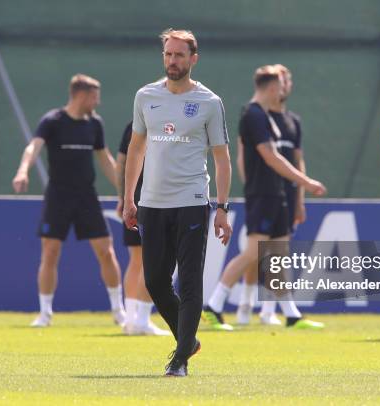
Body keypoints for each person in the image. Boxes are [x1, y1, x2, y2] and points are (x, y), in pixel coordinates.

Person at [123, 29, 232, 377]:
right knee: (154, 280)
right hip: (152, 204)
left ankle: (180, 357)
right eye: (168, 55)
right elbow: (136, 148)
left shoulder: (210, 103)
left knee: (188, 282)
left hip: (192, 202)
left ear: (193, 59)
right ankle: (189, 340)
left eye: (180, 55)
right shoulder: (145, 96)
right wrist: (129, 197)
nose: (173, 61)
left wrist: (222, 208)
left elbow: (222, 159)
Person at [202, 65, 326, 331]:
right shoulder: (253, 115)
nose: (283, 91)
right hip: (264, 194)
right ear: (271, 88)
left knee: (278, 256)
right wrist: (306, 182)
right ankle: (213, 305)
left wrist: (297, 192)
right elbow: (270, 156)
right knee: (252, 254)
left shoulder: (271, 117)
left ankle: (291, 314)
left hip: (278, 193)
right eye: (281, 86)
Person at [12, 74, 126, 328]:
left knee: (107, 253)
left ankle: (119, 311)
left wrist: (125, 190)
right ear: (82, 95)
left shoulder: (95, 124)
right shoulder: (53, 121)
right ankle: (45, 314)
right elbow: (33, 147)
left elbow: (105, 159)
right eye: (95, 97)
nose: (98, 102)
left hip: (87, 197)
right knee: (50, 253)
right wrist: (23, 171)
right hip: (58, 197)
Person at [116, 120, 170, 336]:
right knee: (153, 260)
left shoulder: (134, 124)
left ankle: (131, 320)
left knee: (137, 260)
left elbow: (121, 162)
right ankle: (141, 319)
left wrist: (123, 195)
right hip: (155, 198)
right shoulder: (167, 121)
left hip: (136, 197)